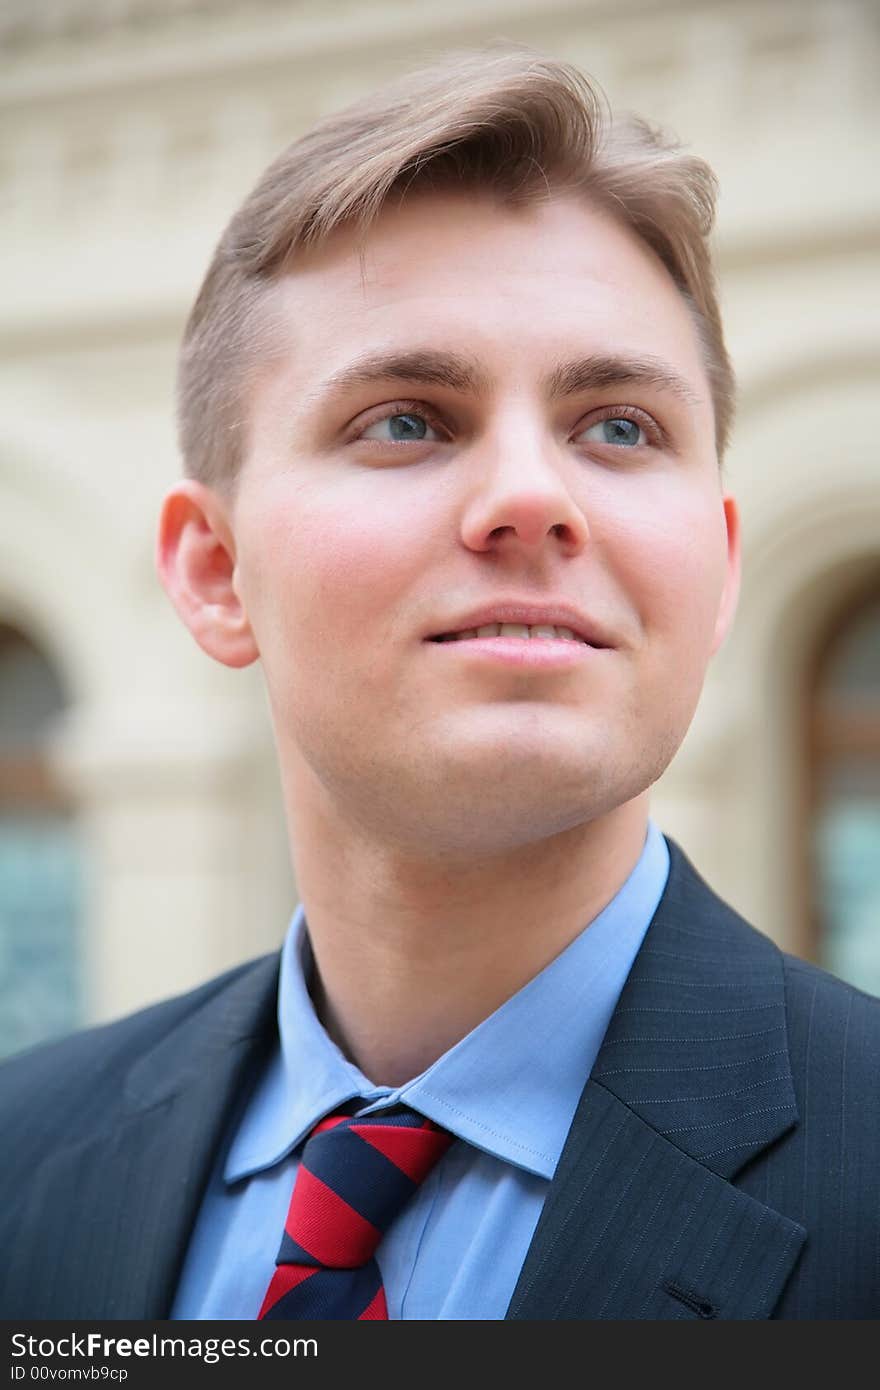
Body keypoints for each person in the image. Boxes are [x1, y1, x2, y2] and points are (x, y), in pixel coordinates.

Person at [1, 45, 878, 1323]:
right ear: (213, 570)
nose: (534, 496)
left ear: (720, 567)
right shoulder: (25, 1164)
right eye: (407, 418)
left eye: (618, 427)